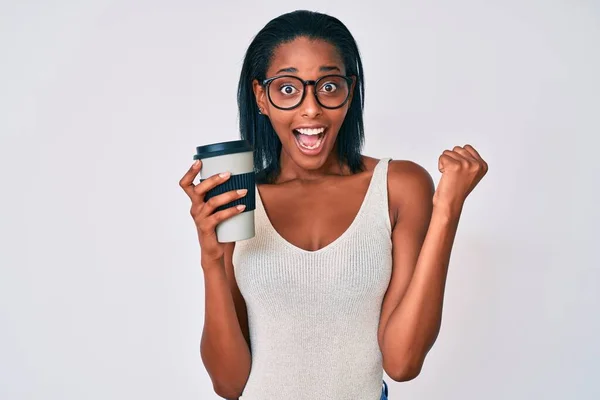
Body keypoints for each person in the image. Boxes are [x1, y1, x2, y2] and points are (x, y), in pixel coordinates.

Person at [179, 9, 488, 400]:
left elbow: (402, 362)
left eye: (328, 86)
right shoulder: (240, 201)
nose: (312, 108)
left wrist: (447, 211)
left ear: (350, 89)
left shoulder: (399, 187)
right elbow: (230, 384)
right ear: (261, 97)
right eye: (288, 88)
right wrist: (211, 259)